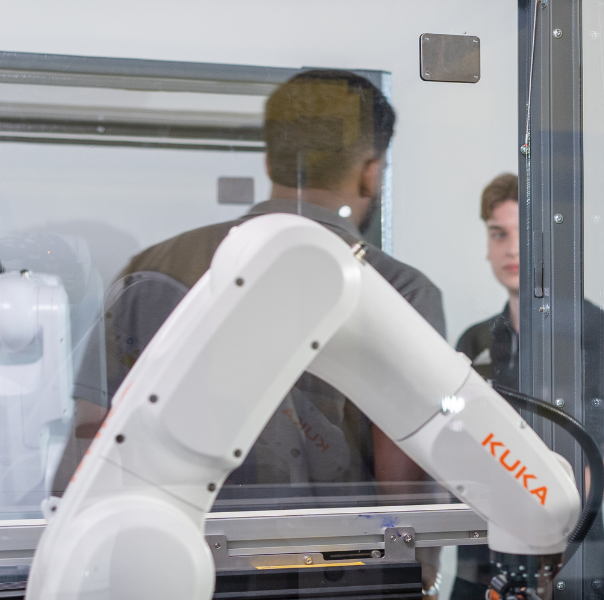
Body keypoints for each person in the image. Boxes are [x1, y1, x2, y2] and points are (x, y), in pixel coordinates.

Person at [90, 69, 438, 497]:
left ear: (271, 161)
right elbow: (406, 500)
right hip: (337, 560)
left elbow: (90, 439)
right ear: (371, 172)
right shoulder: (400, 290)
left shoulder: (152, 268)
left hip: (172, 554)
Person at [451, 173, 604, 600]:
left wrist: (541, 487)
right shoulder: (475, 343)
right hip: (485, 565)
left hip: (581, 561)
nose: (510, 249)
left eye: (521, 235)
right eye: (498, 234)